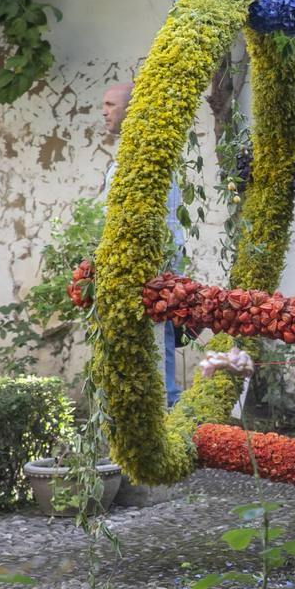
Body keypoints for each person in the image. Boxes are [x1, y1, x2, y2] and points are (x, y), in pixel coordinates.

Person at [101, 81, 186, 407]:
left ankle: (165, 407)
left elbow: (156, 220)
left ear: (131, 108)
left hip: (152, 261)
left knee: (156, 334)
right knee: (145, 337)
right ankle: (152, 406)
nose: (104, 112)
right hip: (135, 259)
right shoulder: (132, 151)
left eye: (110, 105)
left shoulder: (148, 152)